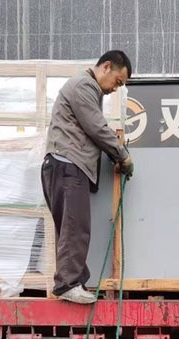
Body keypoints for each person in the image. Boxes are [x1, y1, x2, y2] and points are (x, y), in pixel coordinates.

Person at [41, 50, 135, 304]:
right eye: (118, 82)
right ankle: (68, 284)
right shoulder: (84, 85)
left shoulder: (86, 88)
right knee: (75, 228)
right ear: (106, 67)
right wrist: (122, 155)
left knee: (72, 227)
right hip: (68, 165)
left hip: (63, 166)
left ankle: (76, 281)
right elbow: (96, 127)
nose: (115, 89)